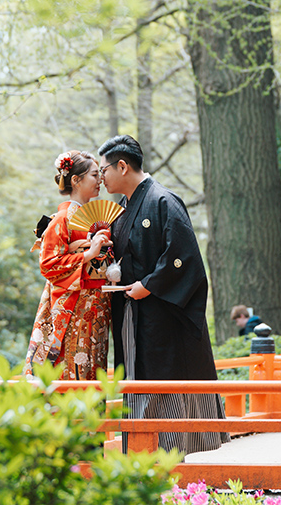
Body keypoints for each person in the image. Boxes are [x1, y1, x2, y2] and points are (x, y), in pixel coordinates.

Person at [97, 134, 226, 454]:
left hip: (163, 316)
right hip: (135, 314)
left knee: (163, 380)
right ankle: (142, 453)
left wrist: (150, 284)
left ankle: (169, 460)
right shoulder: (122, 209)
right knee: (138, 379)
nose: (102, 178)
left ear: (122, 166)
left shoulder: (163, 201)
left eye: (103, 171)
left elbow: (184, 258)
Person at [22, 150, 112, 380]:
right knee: (71, 365)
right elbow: (49, 264)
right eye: (94, 175)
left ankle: (92, 417)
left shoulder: (91, 218)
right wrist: (87, 254)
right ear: (76, 180)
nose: (100, 180)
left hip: (97, 307)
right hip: (74, 307)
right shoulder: (61, 219)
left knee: (94, 364)